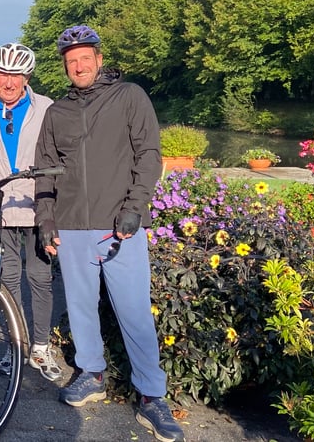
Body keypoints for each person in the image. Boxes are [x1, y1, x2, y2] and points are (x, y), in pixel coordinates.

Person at [34, 25, 185, 442]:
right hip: (72, 225)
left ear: (99, 60)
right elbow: (44, 169)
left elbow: (148, 154)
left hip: (120, 225)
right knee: (82, 307)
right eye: (71, 61)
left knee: (134, 311)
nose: (79, 66)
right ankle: (92, 373)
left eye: (85, 58)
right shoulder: (57, 113)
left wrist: (135, 207)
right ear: (65, 67)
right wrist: (45, 218)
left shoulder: (129, 97)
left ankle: (153, 398)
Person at [0, 43, 62, 382]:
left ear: (27, 77)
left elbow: (60, 157)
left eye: (16, 75)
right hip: (0, 208)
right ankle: (18, 346)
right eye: (3, 74)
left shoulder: (46, 108)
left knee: (40, 277)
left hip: (38, 206)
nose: (8, 82)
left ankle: (41, 346)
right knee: (8, 280)